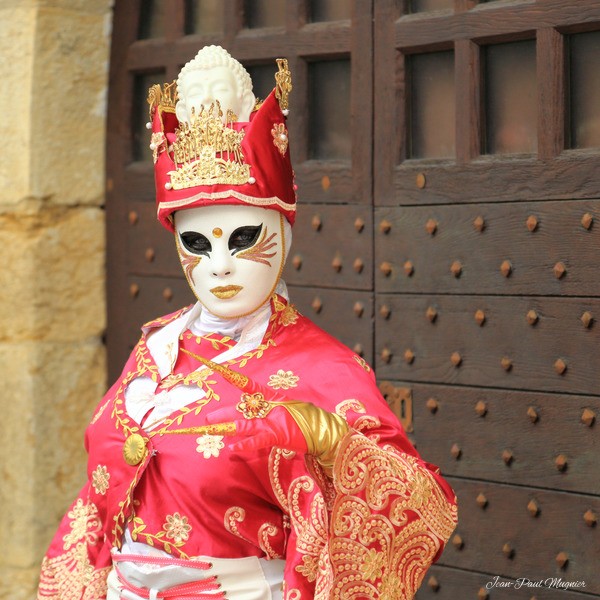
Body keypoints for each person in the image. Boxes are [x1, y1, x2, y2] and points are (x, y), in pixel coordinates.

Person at [38, 45, 457, 600]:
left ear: (282, 233)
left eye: (241, 238)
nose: (218, 266)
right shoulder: (155, 349)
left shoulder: (323, 368)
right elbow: (97, 504)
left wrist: (328, 440)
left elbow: (417, 508)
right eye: (196, 242)